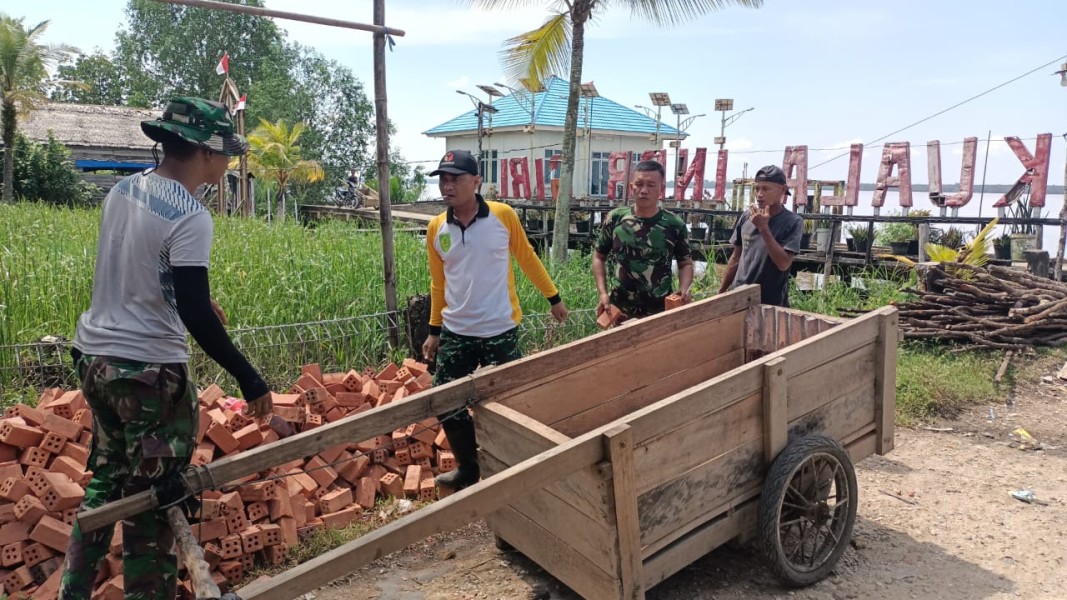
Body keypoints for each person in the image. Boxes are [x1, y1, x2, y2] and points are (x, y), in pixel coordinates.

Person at [60, 97, 273, 600]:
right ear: (204, 152)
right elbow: (196, 315)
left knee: (107, 482)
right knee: (155, 502)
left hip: (95, 359)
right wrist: (250, 376)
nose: (227, 164)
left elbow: (141, 268)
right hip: (148, 371)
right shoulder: (190, 214)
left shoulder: (123, 190)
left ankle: (72, 592)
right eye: (225, 153)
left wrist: (192, 295)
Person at [422, 150, 569, 490]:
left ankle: (514, 471)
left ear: (476, 182)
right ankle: (469, 468)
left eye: (455, 178)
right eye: (443, 179)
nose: (448, 185)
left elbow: (527, 258)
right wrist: (434, 331)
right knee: (445, 400)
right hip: (457, 331)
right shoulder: (436, 228)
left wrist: (554, 298)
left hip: (499, 330)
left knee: (510, 403)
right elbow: (438, 283)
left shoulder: (503, 216)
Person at [593, 160, 694, 320]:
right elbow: (599, 256)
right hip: (619, 310)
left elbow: (685, 263)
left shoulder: (674, 224)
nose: (644, 190)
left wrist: (683, 289)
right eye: (639, 184)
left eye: (651, 185)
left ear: (661, 190)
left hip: (660, 312)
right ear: (631, 186)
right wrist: (603, 293)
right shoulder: (616, 218)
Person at [718, 165, 804, 306]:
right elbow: (736, 257)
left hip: (770, 303)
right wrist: (721, 292)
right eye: (757, 189)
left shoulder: (792, 222)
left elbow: (783, 264)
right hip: (739, 297)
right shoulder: (747, 216)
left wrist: (763, 228)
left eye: (765, 189)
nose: (759, 194)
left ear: (782, 189)